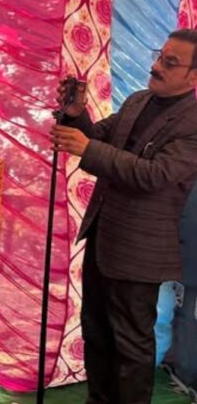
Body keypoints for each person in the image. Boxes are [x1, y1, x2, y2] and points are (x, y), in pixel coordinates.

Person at [50, 29, 197, 403]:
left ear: (194, 77)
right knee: (96, 335)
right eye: (159, 55)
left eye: (170, 62)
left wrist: (88, 148)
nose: (156, 66)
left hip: (140, 252)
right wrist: (76, 113)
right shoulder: (138, 100)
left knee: (131, 348)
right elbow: (98, 137)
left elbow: (154, 175)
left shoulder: (193, 123)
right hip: (103, 238)